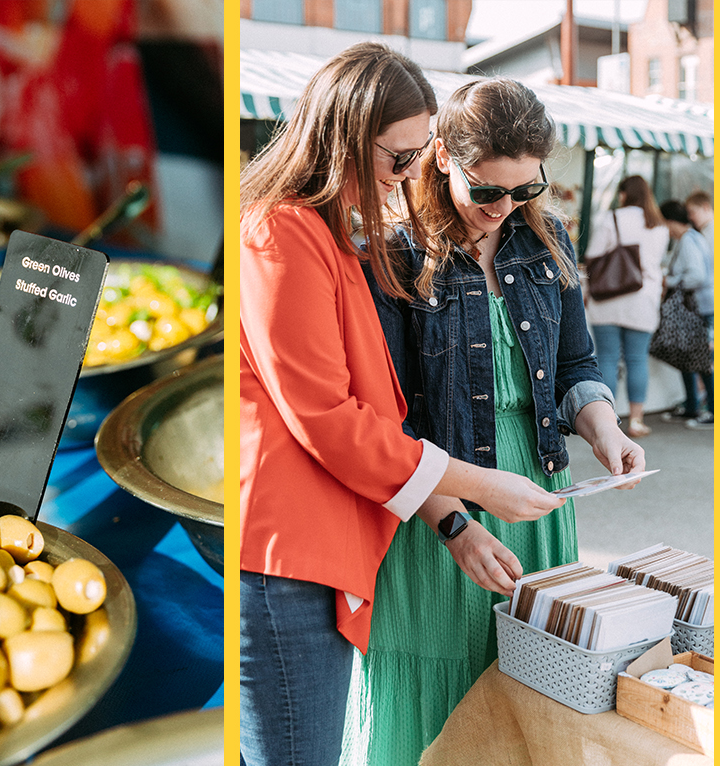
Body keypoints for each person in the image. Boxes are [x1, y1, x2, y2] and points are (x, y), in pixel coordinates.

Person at [239, 44, 563, 766]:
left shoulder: (334, 237)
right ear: (343, 138)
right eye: (399, 158)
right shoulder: (280, 232)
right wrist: (477, 489)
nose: (411, 176)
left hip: (321, 547)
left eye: (418, 156)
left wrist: (455, 519)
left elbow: (376, 419)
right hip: (288, 552)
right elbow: (327, 417)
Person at [348, 77, 646, 766]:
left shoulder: (548, 240)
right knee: (437, 693)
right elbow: (381, 420)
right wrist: (454, 523)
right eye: (488, 192)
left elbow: (577, 365)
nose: (504, 208)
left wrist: (607, 431)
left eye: (525, 190)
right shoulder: (391, 253)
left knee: (529, 693)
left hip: (541, 499)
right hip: (435, 509)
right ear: (443, 156)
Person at [584, 175, 670, 437]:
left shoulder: (613, 218)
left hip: (609, 299)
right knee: (636, 360)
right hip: (643, 300)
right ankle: (636, 420)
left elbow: (593, 255)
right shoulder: (660, 226)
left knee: (606, 359)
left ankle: (607, 422)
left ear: (624, 194)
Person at [657, 200, 715, 427]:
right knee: (689, 358)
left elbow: (696, 275)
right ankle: (693, 406)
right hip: (699, 307)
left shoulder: (688, 241)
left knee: (700, 360)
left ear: (670, 222)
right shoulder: (693, 238)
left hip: (697, 307)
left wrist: (669, 281)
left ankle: (710, 410)